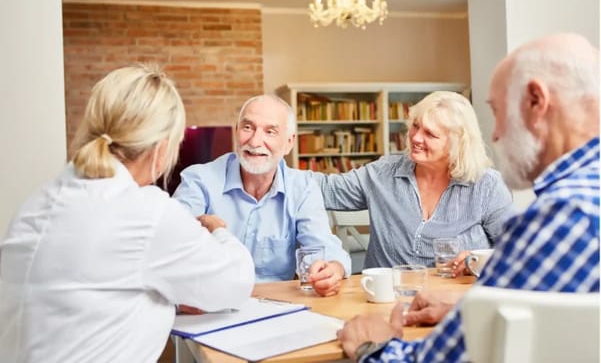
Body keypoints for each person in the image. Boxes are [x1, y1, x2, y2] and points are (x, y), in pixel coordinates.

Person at [336, 32, 600, 362]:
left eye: (498, 111)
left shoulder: (563, 216)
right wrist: (465, 307)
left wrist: (372, 346)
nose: (496, 133)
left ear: (536, 101)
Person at [0, 65, 255, 362]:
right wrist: (219, 230)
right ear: (161, 150)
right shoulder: (147, 213)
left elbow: (97, 294)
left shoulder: (39, 200)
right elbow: (235, 284)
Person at [311, 91, 514, 270]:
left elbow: (515, 249)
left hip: (452, 302)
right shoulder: (383, 173)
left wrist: (479, 259)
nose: (416, 138)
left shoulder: (487, 186)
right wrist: (279, 163)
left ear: (456, 144)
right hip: (386, 301)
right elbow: (325, 189)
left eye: (430, 134)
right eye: (415, 126)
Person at [173, 94, 351, 296]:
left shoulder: (303, 189)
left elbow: (323, 247)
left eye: (270, 132)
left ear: (289, 143)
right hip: (208, 304)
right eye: (248, 128)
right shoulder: (199, 180)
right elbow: (172, 248)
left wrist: (332, 269)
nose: (256, 141)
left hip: (275, 307)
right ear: (237, 131)